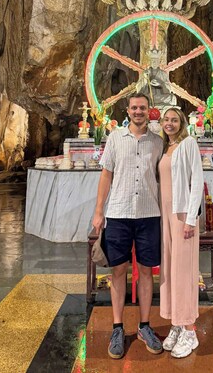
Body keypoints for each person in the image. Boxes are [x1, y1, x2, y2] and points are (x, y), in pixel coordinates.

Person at [92, 93, 164, 359]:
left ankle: (145, 326)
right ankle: (118, 327)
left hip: (148, 214)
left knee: (146, 272)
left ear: (149, 111)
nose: (138, 111)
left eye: (142, 108)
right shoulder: (115, 138)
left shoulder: (157, 143)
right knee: (118, 271)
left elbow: (163, 177)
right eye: (134, 107)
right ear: (127, 110)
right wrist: (99, 211)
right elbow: (106, 173)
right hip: (119, 213)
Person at [159, 106, 204, 358]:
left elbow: (196, 181)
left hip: (182, 216)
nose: (169, 123)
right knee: (170, 271)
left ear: (182, 123)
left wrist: (190, 219)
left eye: (174, 120)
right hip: (165, 217)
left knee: (184, 271)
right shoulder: (165, 148)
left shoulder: (189, 144)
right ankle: (176, 322)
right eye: (166, 119)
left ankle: (190, 331)